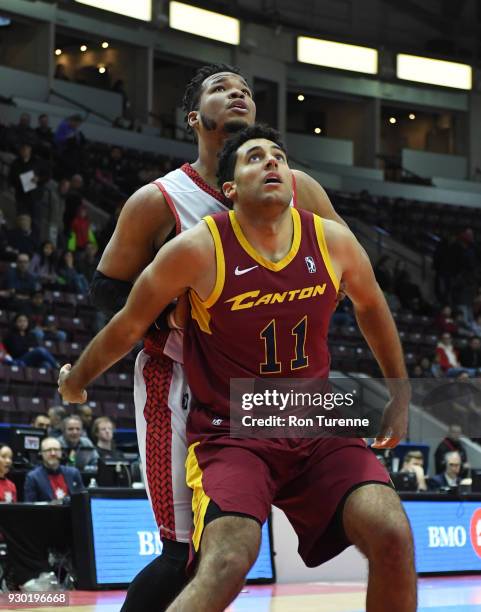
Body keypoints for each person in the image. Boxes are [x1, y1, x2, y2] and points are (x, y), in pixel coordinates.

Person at [59, 125, 415, 612]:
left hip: (316, 421)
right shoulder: (197, 248)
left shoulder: (333, 241)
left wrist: (399, 395)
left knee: (392, 531)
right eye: (254, 158)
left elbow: (372, 308)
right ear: (229, 189)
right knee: (228, 558)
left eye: (279, 157)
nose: (271, 163)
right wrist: (76, 380)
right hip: (232, 431)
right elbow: (127, 324)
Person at [89, 63, 354, 611]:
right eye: (220, 88)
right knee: (185, 552)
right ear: (194, 118)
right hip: (184, 382)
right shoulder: (159, 200)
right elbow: (105, 293)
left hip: (272, 385)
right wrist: (171, 315)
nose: (237, 93)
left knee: (237, 547)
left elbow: (350, 272)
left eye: (246, 90)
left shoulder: (298, 188)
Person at [24, 436, 84, 502]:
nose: (53, 453)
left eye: (56, 450)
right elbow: (30, 506)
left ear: (61, 452)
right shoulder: (33, 477)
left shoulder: (73, 473)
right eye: (49, 450)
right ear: (41, 453)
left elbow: (82, 500)